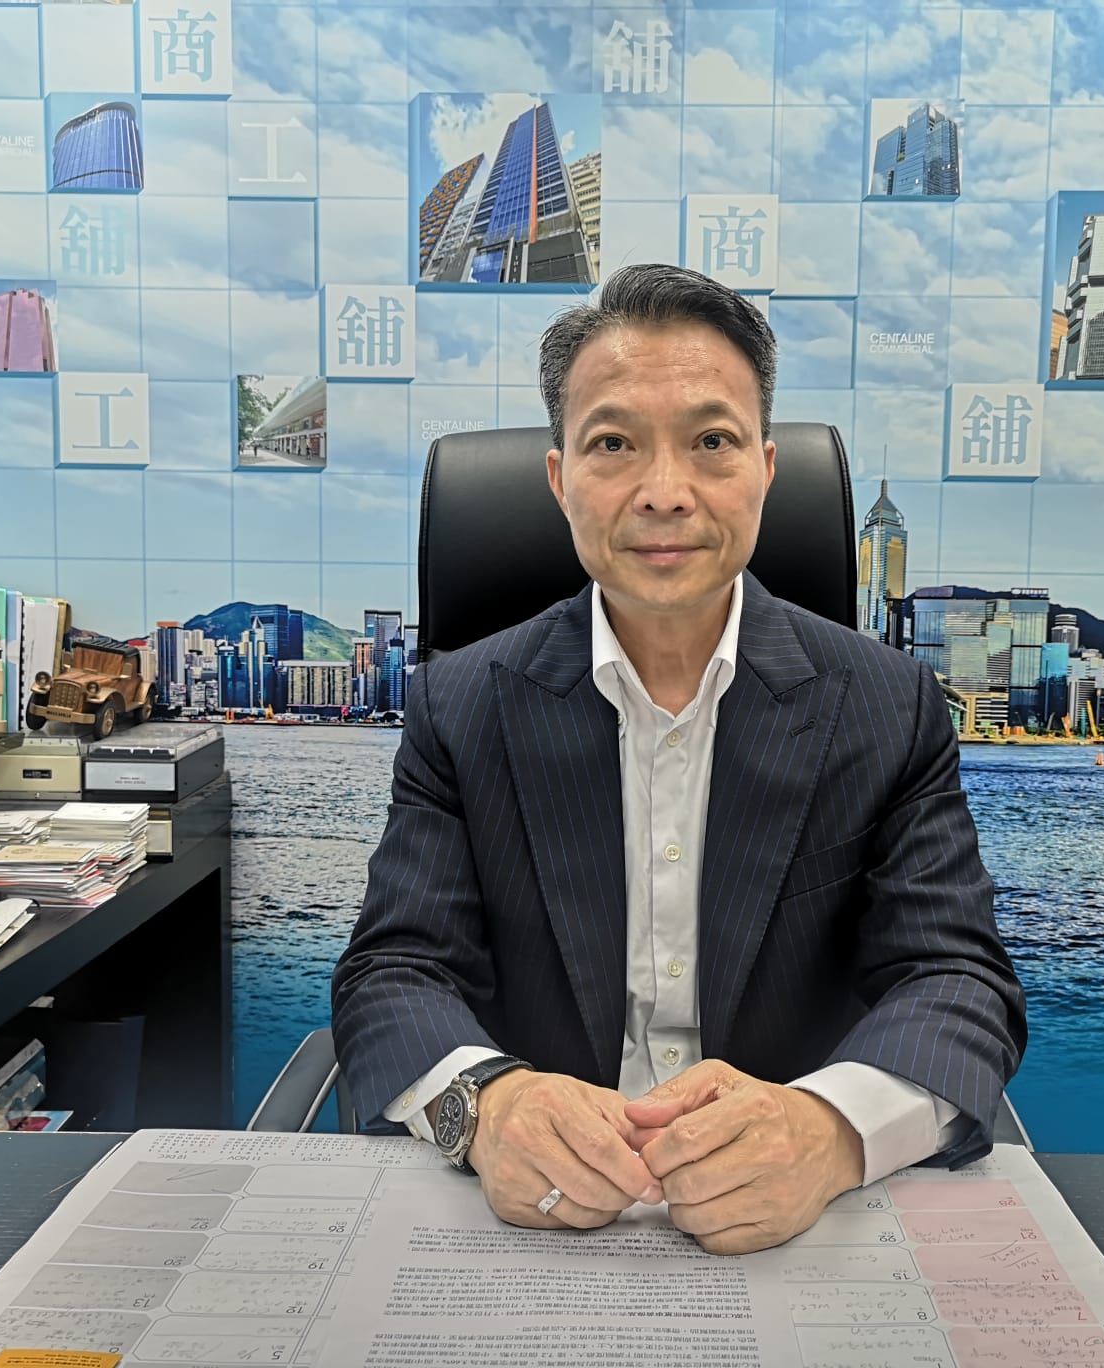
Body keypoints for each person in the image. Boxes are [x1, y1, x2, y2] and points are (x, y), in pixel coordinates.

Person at [331, 263, 1025, 1255]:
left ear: (765, 471)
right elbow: (392, 974)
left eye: (711, 442)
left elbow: (958, 982)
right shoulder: (461, 703)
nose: (665, 493)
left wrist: (828, 1133)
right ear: (561, 479)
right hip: (537, 1227)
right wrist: (484, 1108)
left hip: (793, 1231)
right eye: (614, 444)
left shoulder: (885, 705)